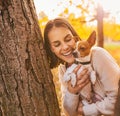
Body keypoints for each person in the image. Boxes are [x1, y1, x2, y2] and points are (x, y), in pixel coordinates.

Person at [43, 17, 120, 116]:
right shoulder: (63, 69)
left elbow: (117, 100)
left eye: (68, 39)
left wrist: (85, 110)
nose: (65, 47)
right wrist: (72, 91)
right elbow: (68, 112)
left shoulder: (97, 56)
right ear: (51, 49)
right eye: (57, 44)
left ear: (74, 37)